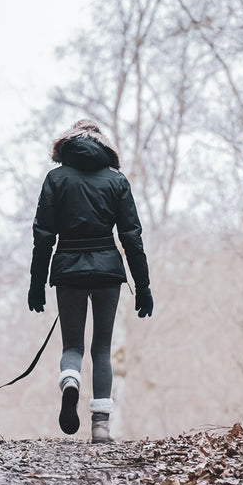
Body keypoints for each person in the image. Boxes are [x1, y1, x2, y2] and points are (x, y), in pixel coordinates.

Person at [28, 119, 153, 443]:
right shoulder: (117, 182)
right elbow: (131, 236)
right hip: (107, 271)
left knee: (72, 345)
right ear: (103, 147)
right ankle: (100, 426)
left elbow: (43, 235)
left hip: (67, 269)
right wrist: (143, 286)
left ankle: (70, 379)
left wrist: (36, 283)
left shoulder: (55, 179)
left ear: (67, 146)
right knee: (101, 348)